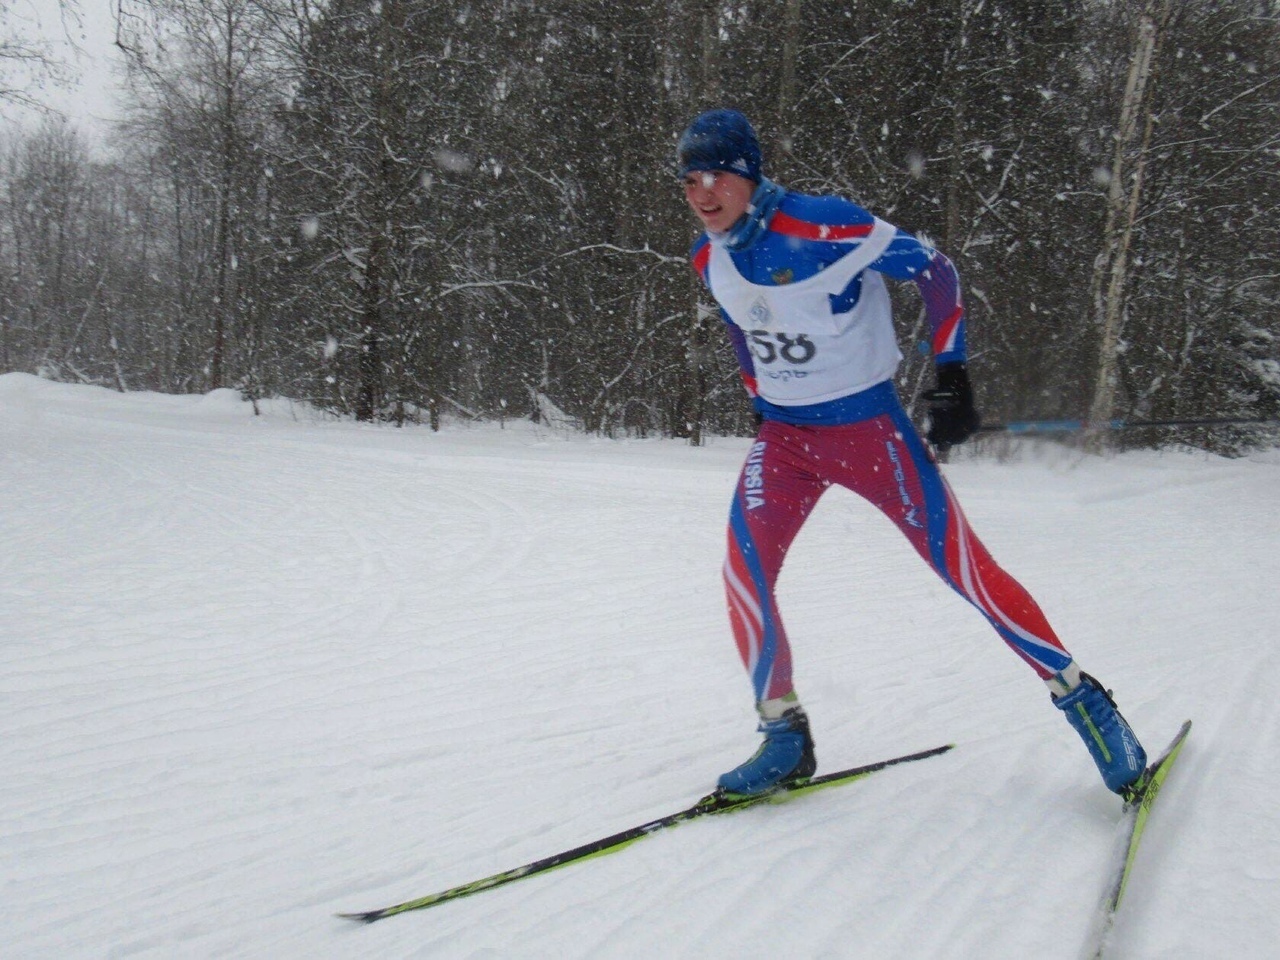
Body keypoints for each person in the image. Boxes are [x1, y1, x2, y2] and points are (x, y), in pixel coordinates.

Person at [677, 108, 1149, 800]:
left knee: (969, 572)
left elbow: (935, 270)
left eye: (715, 175)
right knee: (743, 574)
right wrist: (758, 392)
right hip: (783, 441)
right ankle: (783, 737)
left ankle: (1086, 702)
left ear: (748, 174)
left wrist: (952, 374)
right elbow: (741, 325)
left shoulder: (823, 226)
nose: (702, 193)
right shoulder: (707, 256)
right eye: (690, 180)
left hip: (870, 435)